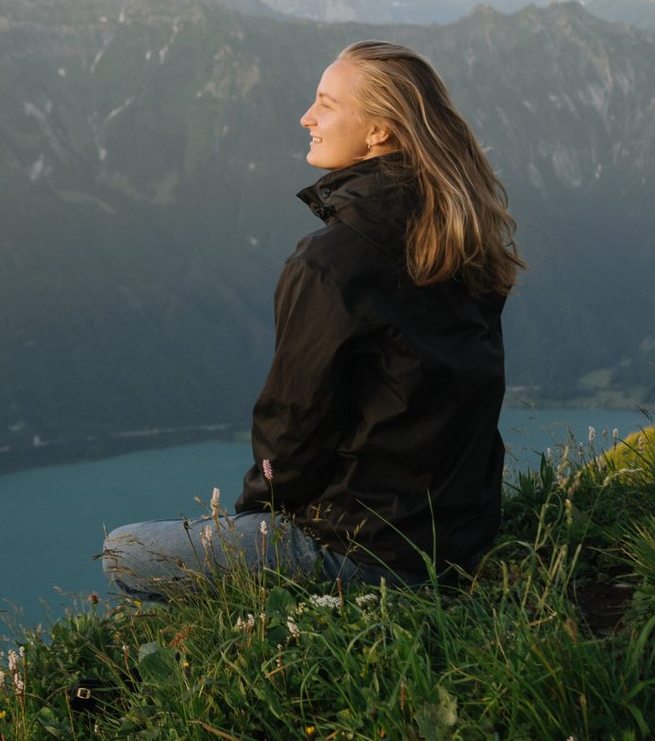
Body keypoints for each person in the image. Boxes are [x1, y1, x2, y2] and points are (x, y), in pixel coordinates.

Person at [102, 40, 524, 596]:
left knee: (123, 554)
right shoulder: (457, 231)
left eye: (326, 103)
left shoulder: (331, 263)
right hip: (458, 538)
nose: (307, 117)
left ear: (379, 131)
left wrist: (258, 518)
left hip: (367, 553)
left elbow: (293, 423)